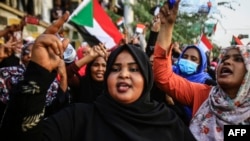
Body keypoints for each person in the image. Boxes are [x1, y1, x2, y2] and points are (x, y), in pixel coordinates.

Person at [0, 11, 196, 141]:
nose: (124, 75)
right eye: (116, 69)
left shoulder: (169, 124)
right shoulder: (79, 118)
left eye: (134, 69)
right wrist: (38, 73)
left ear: (147, 79)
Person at [154, 1, 250, 140]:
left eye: (238, 59)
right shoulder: (203, 94)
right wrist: (167, 27)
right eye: (224, 59)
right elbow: (163, 77)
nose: (227, 62)